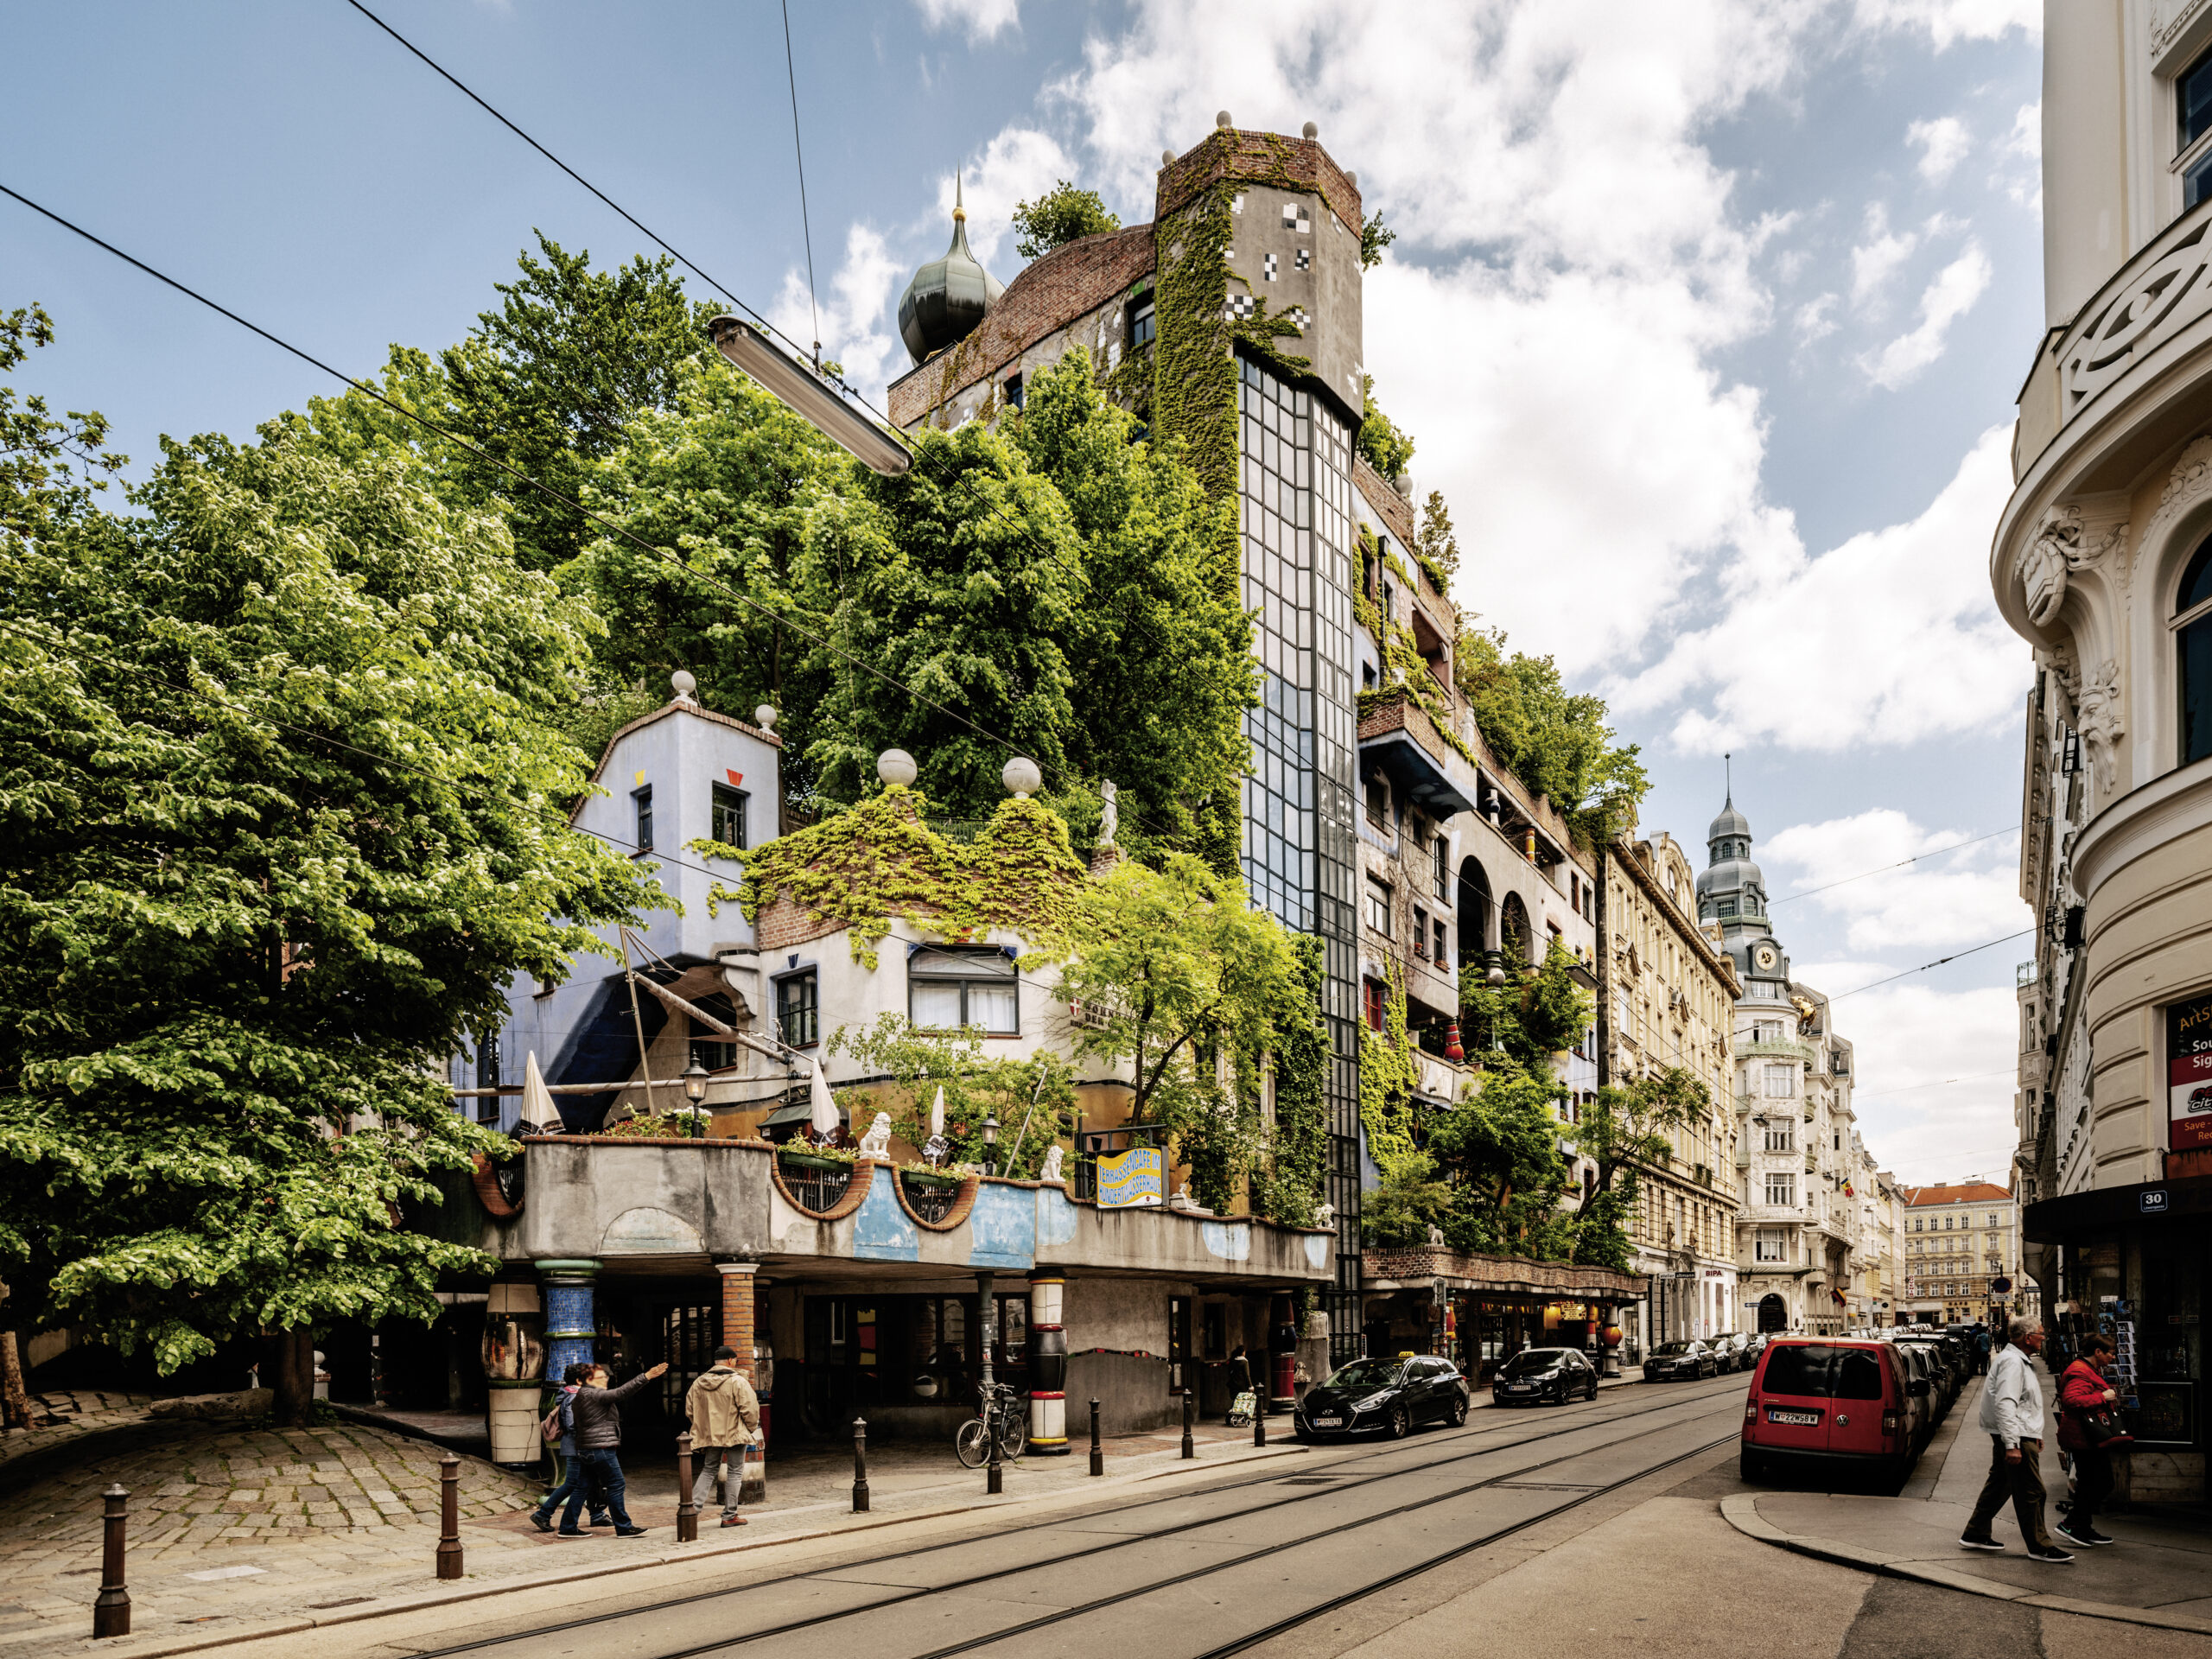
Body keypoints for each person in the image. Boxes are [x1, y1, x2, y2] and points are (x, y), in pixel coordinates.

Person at [1960, 1318, 2070, 1563]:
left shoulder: (2016, 1359)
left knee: (2000, 1484)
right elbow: (2006, 1403)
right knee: (2033, 1490)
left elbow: (2023, 1403)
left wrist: (2035, 1433)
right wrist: (2012, 1444)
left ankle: (1976, 1532)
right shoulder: (2012, 1362)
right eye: (2040, 1334)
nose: (2043, 1337)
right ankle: (2039, 1545)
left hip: (2020, 1432)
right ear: (2028, 1337)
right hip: (2016, 1434)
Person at [560, 1359, 669, 1538]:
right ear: (583, 1381)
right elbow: (621, 1392)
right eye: (599, 1377)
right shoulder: (593, 1394)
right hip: (600, 1448)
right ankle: (624, 1527)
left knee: (582, 1487)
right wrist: (647, 1376)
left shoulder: (581, 1396)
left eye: (605, 1376)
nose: (605, 1379)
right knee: (616, 1484)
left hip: (586, 1448)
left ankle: (567, 1527)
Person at [2055, 1333, 2120, 1550]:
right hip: (2083, 1436)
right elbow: (2071, 1400)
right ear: (2098, 1352)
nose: (2113, 1357)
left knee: (2091, 1482)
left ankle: (2082, 1526)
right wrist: (2103, 1397)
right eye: (2111, 1353)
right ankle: (2071, 1523)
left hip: (2088, 1435)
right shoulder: (2080, 1371)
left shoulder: (2089, 1369)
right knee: (2100, 1482)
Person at [531, 1363, 613, 1534]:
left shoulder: (575, 1395)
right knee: (572, 1483)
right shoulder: (574, 1397)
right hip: (577, 1447)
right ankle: (543, 1514)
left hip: (580, 1446)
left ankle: (595, 1515)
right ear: (578, 1380)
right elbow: (572, 1424)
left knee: (588, 1481)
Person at [685, 1346, 762, 1529]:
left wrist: (705, 1428)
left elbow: (690, 1410)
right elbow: (751, 1410)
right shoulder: (738, 1381)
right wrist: (749, 1428)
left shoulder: (699, 1382)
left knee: (708, 1469)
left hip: (711, 1434)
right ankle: (729, 1515)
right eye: (735, 1360)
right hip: (735, 1433)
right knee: (735, 1472)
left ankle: (691, 1511)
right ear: (730, 1361)